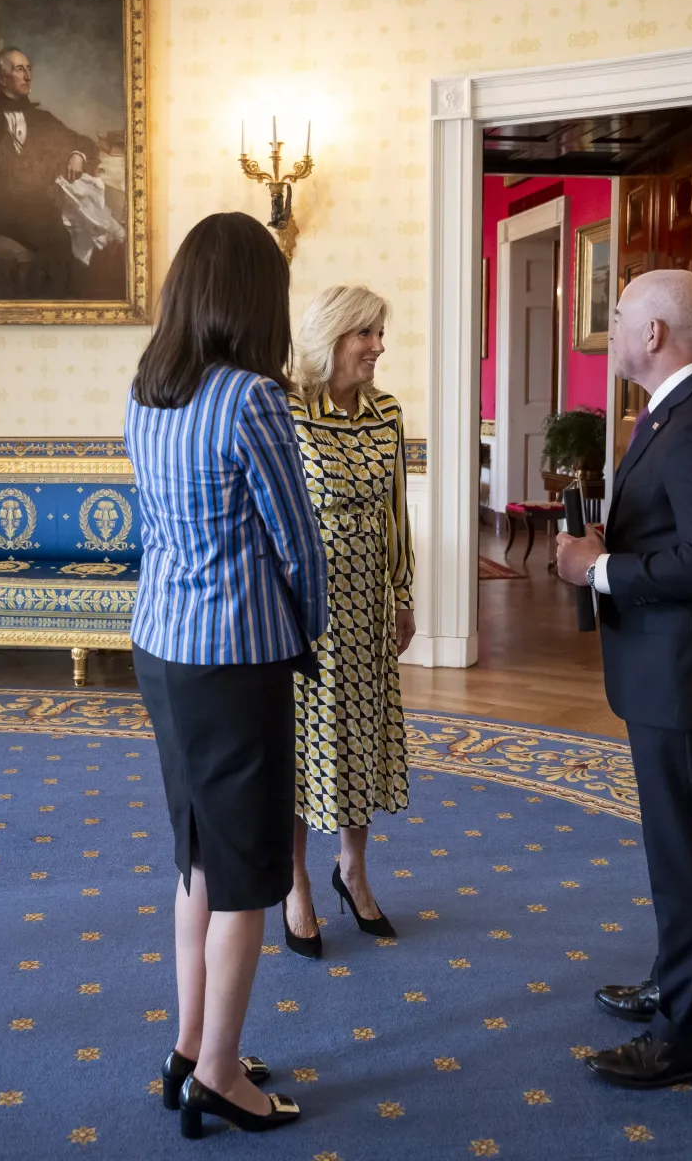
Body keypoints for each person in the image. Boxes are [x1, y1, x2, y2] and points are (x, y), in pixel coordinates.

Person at [124, 212, 328, 1137]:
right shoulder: (252, 398)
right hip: (234, 657)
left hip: (161, 646)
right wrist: (314, 635)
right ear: (257, 298)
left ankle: (189, 1044)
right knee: (246, 873)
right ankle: (217, 1074)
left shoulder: (146, 389)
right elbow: (297, 538)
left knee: (198, 856)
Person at [555, 269, 692, 1090]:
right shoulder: (670, 412)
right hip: (664, 667)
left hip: (686, 672)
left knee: (685, 850)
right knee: (675, 843)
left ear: (652, 335)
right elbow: (675, 530)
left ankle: (689, 1037)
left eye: (615, 318)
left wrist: (601, 568)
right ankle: (674, 984)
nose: (607, 327)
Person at [282, 284, 416, 957]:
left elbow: (396, 509)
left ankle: (352, 870)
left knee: (360, 734)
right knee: (306, 746)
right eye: (365, 333)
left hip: (368, 600)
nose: (377, 346)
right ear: (330, 337)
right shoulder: (288, 409)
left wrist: (402, 592)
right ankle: (295, 883)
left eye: (378, 332)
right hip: (305, 602)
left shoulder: (387, 410)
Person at [0, 47, 96, 296]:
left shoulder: (43, 120)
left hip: (35, 213)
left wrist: (77, 155)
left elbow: (83, 142)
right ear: (2, 78)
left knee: (64, 246)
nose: (28, 76)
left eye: (29, 69)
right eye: (19, 69)